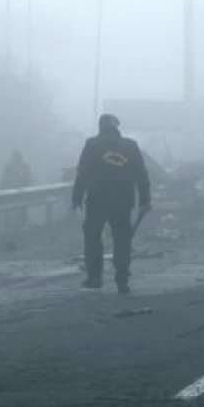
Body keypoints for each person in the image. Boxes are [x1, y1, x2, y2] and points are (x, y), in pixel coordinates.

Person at [72, 114, 151, 294]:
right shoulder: (130, 146)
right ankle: (122, 279)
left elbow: (82, 173)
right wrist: (145, 200)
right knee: (122, 238)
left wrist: (76, 199)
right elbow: (141, 174)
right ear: (117, 127)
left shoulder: (92, 144)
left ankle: (94, 278)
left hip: (97, 199)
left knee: (93, 237)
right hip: (123, 200)